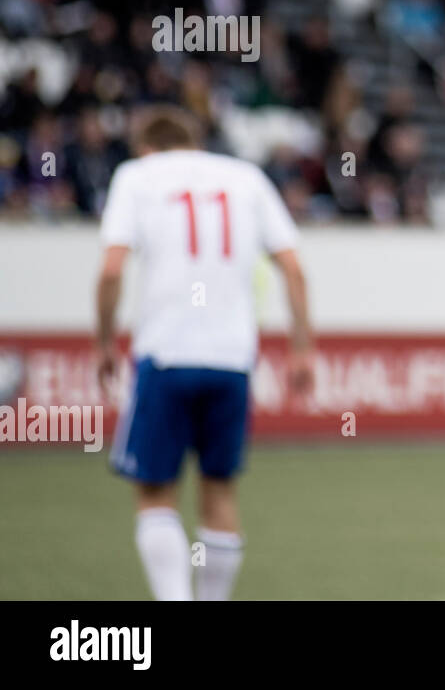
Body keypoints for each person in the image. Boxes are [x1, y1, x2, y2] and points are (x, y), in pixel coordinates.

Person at [95, 105, 314, 600]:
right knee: (219, 491)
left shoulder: (137, 175)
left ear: (147, 146)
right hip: (232, 359)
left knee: (154, 492)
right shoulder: (247, 177)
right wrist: (302, 350)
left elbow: (111, 269)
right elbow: (294, 269)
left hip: (165, 354)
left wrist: (104, 342)